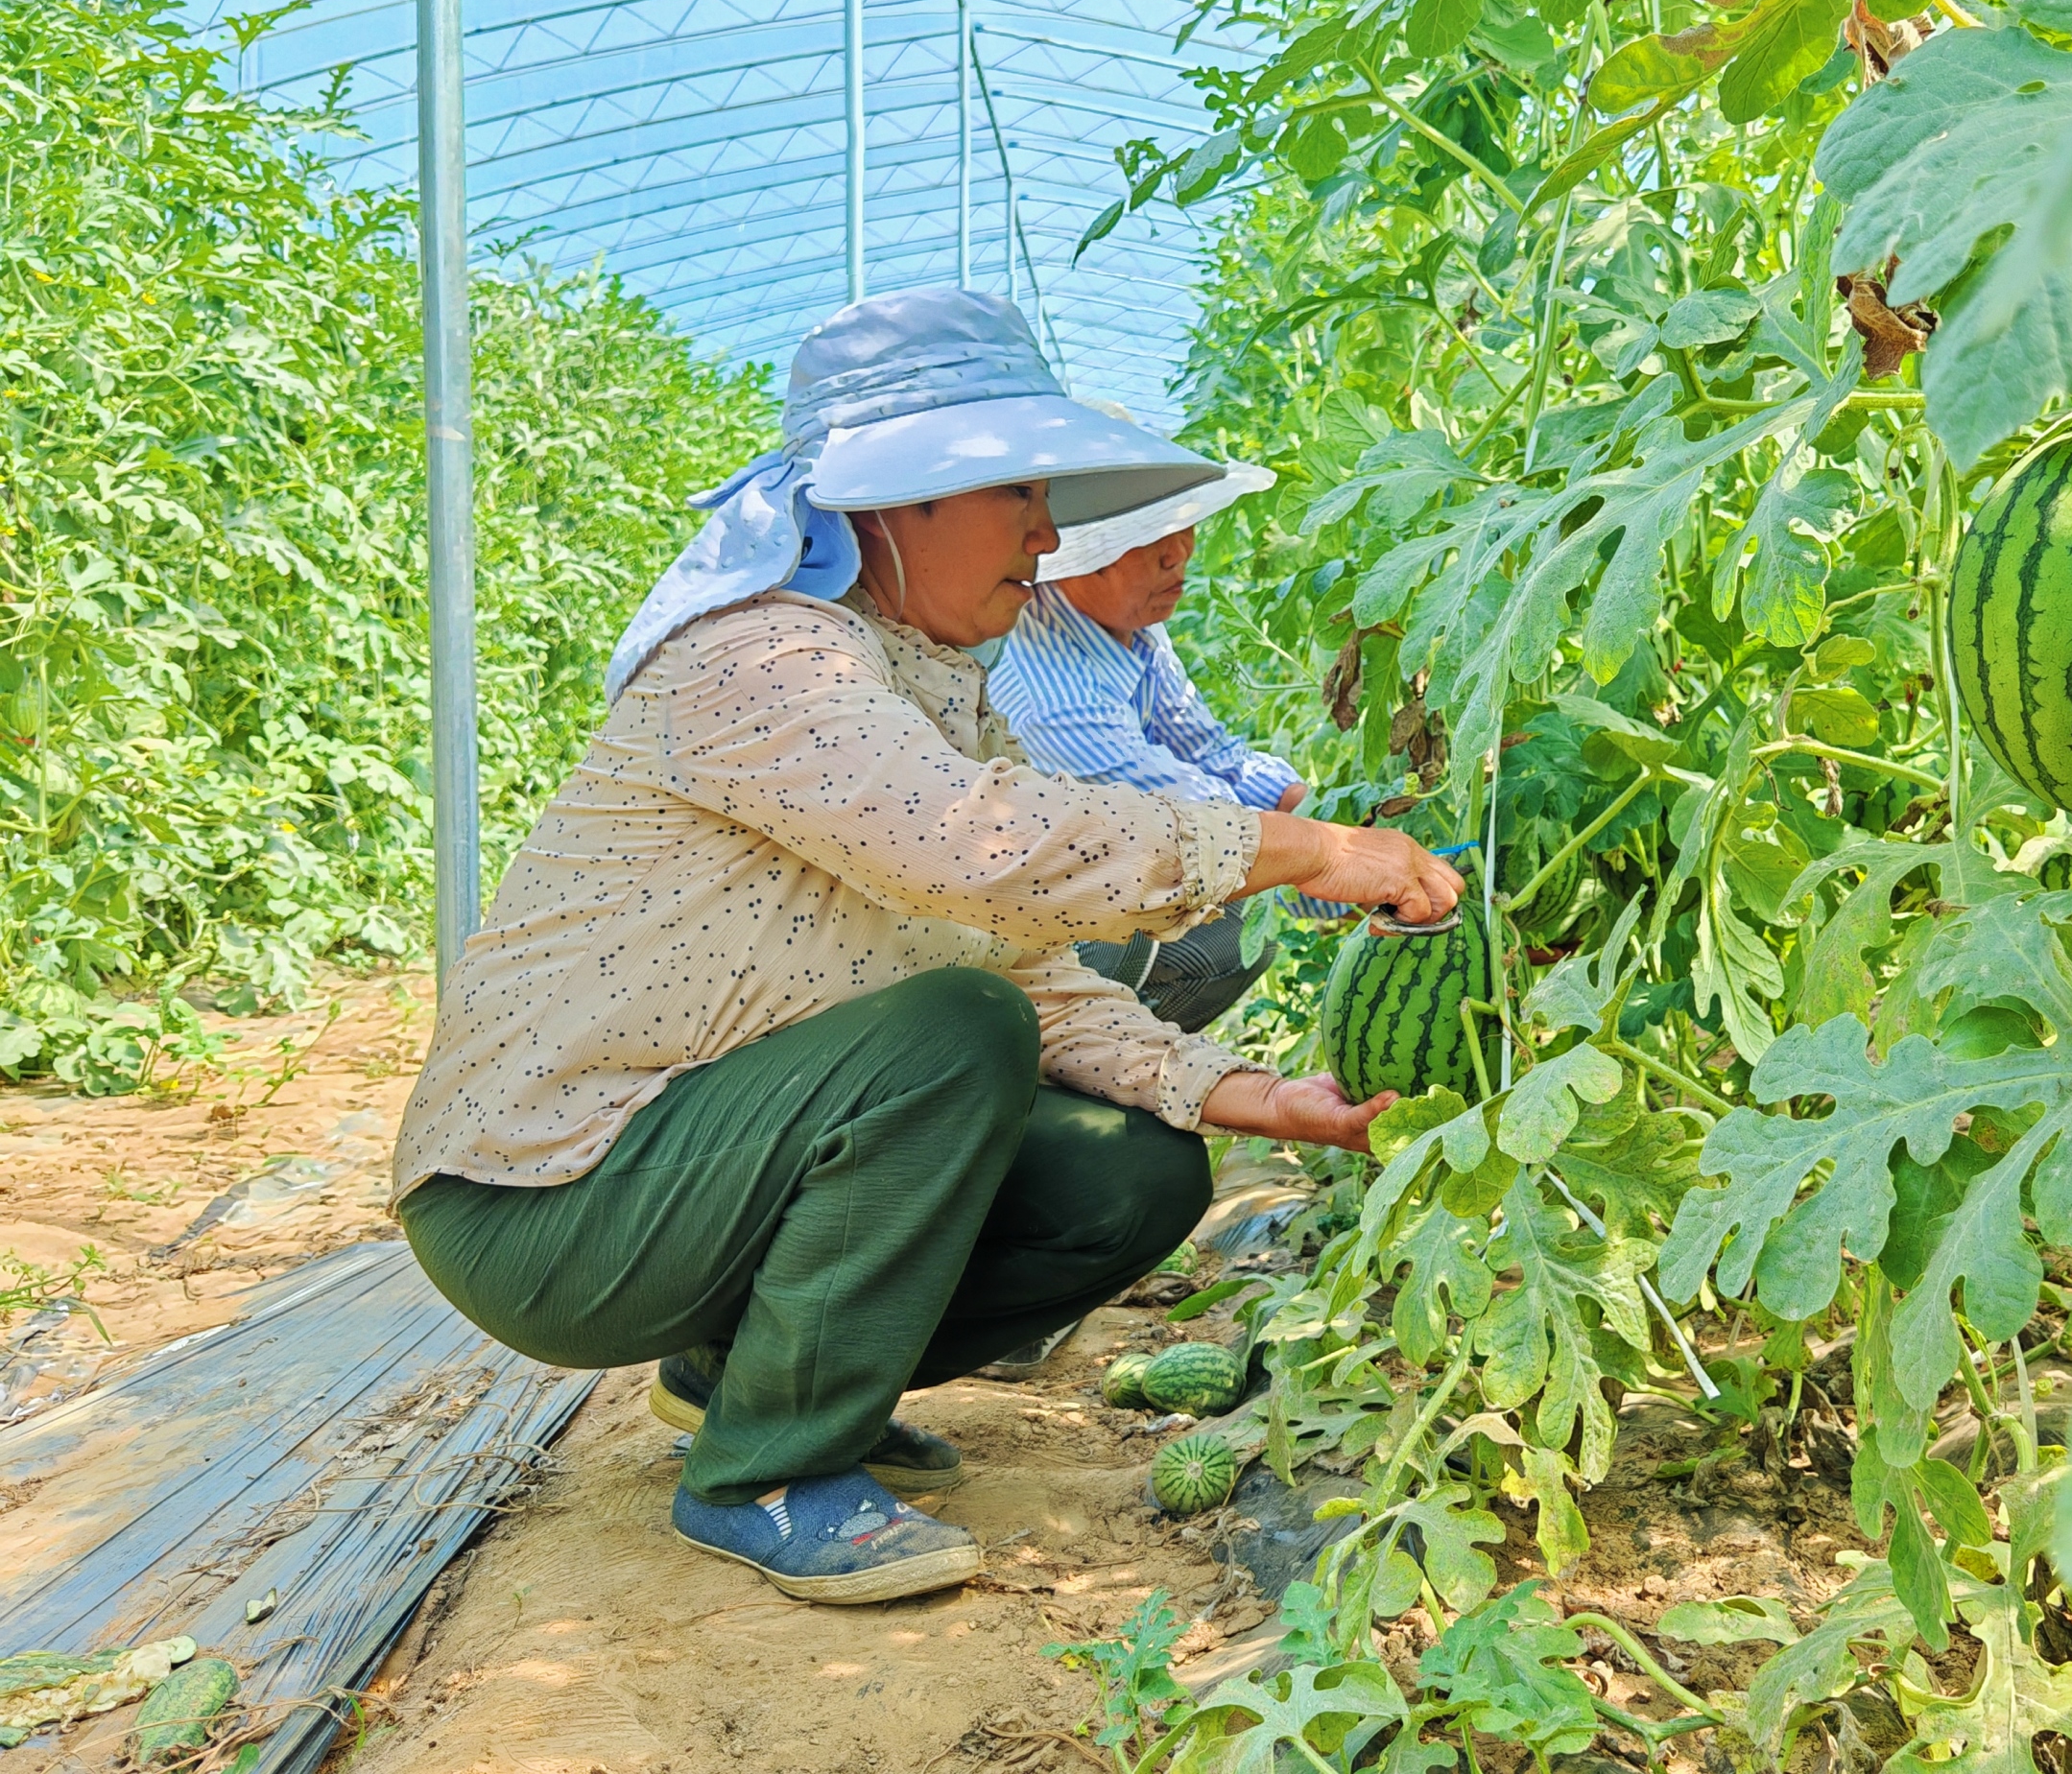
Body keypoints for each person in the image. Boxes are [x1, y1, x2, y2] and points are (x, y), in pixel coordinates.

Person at [391, 287, 1459, 1608]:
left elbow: (1035, 969)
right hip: (544, 1198)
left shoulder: (927, 682)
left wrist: (1260, 1098)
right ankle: (767, 1471)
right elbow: (983, 849)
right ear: (898, 505)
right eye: (1019, 495)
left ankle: (745, 1380)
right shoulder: (764, 659)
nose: (1046, 535)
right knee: (955, 1029)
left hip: (680, 1171)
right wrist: (1303, 847)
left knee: (1130, 1175)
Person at [988, 464, 1316, 1032]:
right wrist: (1336, 864)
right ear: (1075, 558)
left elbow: (1207, 751)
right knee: (1229, 928)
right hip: (1016, 929)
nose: (1178, 553)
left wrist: (1305, 802)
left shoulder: (1125, 620)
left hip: (1076, 877)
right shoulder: (1053, 701)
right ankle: (1075, 1054)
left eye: (1180, 523)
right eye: (1143, 538)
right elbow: (1200, 827)